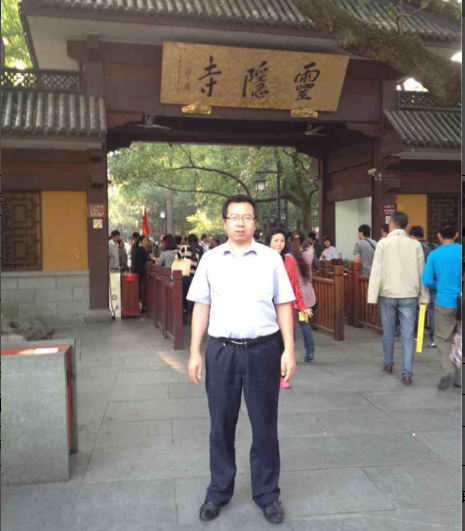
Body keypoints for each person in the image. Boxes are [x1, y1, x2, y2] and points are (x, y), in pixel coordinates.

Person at [186, 194, 296, 525]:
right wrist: (194, 351)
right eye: (234, 217)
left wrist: (289, 349)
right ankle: (218, 491)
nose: (240, 223)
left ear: (254, 222)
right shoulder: (210, 260)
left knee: (265, 426)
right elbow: (201, 306)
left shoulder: (271, 259)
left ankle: (267, 494)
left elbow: (284, 304)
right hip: (222, 352)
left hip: (264, 351)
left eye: (246, 217)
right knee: (220, 425)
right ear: (224, 223)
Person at [368, 212, 429, 386]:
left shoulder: (383, 243)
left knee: (388, 332)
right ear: (405, 225)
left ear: (391, 224)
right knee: (408, 335)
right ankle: (407, 373)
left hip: (387, 293)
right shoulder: (415, 245)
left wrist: (372, 296)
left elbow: (376, 270)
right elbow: (422, 272)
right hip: (409, 294)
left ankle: (388, 363)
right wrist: (424, 296)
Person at [266, 228, 312, 385]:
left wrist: (302, 306)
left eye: (282, 241)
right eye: (275, 241)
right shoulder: (262, 260)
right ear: (269, 242)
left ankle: (281, 375)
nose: (279, 244)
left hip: (285, 309)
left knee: (283, 343)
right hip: (266, 309)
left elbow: (295, 286)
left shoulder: (289, 261)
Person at [422, 221, 462, 390]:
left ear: (439, 236)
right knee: (460, 340)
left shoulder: (434, 255)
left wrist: (438, 285)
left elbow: (426, 279)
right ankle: (460, 377)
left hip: (444, 302)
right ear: (456, 235)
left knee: (443, 339)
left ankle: (447, 372)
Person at [291, 231, 317, 361]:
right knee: (305, 324)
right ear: (303, 241)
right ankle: (310, 352)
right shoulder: (309, 254)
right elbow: (317, 264)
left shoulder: (289, 257)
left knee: (292, 326)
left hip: (294, 296)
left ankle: (290, 353)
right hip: (306, 297)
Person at [409, 226, 437, 347]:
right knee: (432, 310)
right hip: (433, 281)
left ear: (412, 236)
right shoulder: (434, 246)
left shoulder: (413, 247)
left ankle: (418, 335)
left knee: (419, 309)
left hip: (418, 282)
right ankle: (433, 339)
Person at [176, 234, 201, 323]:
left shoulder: (184, 248)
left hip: (184, 276)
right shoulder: (197, 251)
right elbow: (197, 265)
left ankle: (182, 314)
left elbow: (177, 257)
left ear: (188, 240)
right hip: (193, 277)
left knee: (182, 296)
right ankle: (190, 316)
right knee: (190, 297)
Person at [131, 233, 153, 313]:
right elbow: (148, 259)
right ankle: (141, 306)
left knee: (139, 289)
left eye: (147, 241)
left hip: (136, 271)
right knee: (141, 289)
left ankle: (139, 306)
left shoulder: (137, 248)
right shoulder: (141, 249)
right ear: (140, 241)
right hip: (140, 272)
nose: (146, 242)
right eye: (145, 241)